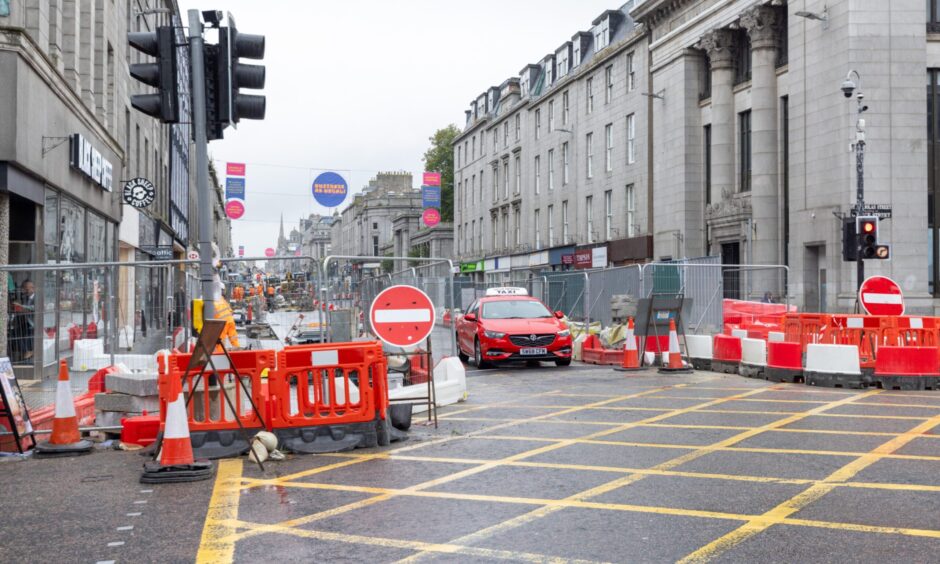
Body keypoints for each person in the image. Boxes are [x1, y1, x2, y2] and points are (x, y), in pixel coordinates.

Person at [11, 280, 36, 362]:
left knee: (24, 332)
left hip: (33, 323)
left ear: (33, 288)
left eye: (27, 289)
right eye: (24, 289)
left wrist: (21, 306)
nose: (25, 291)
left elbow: (33, 308)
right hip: (26, 321)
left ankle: (29, 351)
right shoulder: (26, 297)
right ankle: (25, 351)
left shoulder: (36, 298)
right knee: (15, 332)